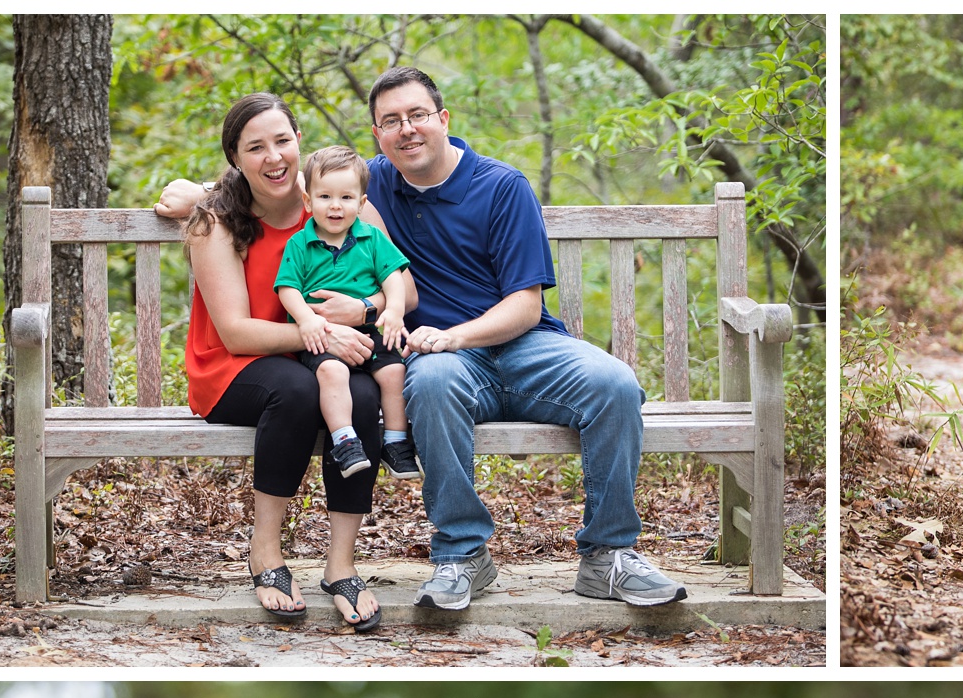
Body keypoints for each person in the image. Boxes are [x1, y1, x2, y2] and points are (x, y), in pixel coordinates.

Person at [162, 68, 688, 611]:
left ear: (443, 120)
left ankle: (609, 555)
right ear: (376, 137)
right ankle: (460, 554)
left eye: (417, 116)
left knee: (616, 384)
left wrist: (401, 320)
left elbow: (524, 305)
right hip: (423, 357)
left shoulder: (500, 186)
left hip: (508, 342)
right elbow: (280, 179)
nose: (406, 130)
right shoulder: (368, 184)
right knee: (427, 385)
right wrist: (201, 193)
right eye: (391, 121)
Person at [179, 94, 391, 630]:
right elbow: (235, 332)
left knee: (363, 396)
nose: (273, 157)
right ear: (235, 158)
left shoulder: (338, 200)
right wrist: (318, 332)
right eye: (255, 147)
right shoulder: (216, 222)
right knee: (296, 392)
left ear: (300, 140)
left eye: (281, 140)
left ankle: (340, 564)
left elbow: (391, 285)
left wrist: (364, 309)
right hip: (232, 367)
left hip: (316, 359)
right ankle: (266, 553)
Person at [274, 145, 423, 491]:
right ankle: (345, 442)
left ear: (362, 202)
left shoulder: (371, 239)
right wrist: (306, 320)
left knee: (395, 370)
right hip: (323, 336)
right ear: (309, 201)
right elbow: (287, 289)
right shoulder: (300, 244)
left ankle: (397, 443)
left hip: (368, 331)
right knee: (332, 371)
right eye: (325, 196)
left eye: (346, 197)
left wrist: (395, 311)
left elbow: (393, 279)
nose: (336, 206)